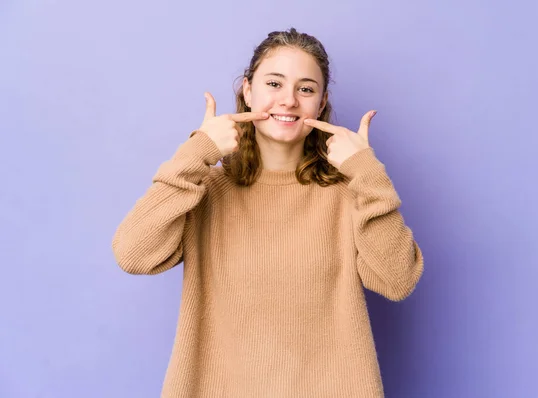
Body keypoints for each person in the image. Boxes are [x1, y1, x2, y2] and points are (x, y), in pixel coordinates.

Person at [112, 27, 424, 397]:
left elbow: (397, 281)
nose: (289, 100)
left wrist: (368, 175)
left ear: (321, 103)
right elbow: (133, 254)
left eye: (305, 89)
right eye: (274, 83)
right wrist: (196, 153)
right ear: (247, 90)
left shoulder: (349, 194)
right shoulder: (205, 190)